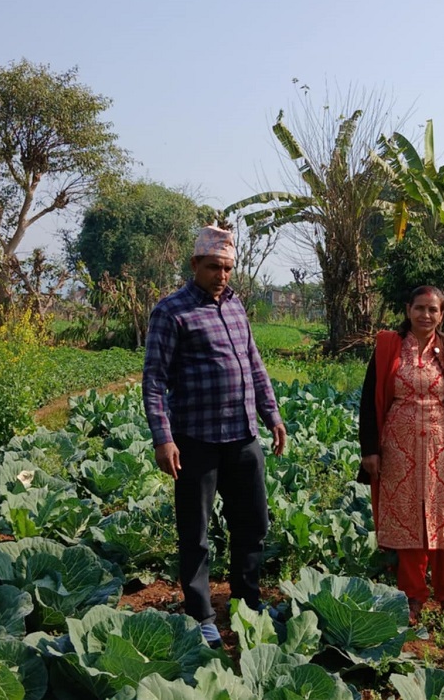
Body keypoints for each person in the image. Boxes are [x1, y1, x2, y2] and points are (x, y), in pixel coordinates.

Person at [142, 224, 288, 648]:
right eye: (213, 267)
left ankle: (246, 602)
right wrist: (162, 438)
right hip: (196, 439)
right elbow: (153, 380)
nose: (221, 275)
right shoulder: (171, 311)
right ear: (194, 265)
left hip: (243, 435)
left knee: (253, 524)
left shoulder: (236, 305)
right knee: (196, 532)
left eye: (227, 268)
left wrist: (272, 415)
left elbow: (254, 365)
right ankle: (201, 612)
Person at [358, 286, 444, 623]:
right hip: (398, 447)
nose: (426, 315)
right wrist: (369, 450)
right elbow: (369, 400)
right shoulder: (388, 347)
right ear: (407, 309)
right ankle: (412, 596)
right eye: (420, 308)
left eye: (433, 310)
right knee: (409, 521)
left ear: (443, 314)